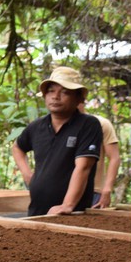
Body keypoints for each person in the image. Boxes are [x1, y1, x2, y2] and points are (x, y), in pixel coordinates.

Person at [11, 66, 102, 216]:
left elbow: (84, 167)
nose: (56, 96)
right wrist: (27, 174)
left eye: (65, 92)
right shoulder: (37, 127)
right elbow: (17, 147)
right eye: (51, 91)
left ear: (79, 98)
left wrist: (67, 205)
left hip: (72, 214)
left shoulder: (88, 125)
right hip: (36, 211)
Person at [78, 102, 120, 208]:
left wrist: (107, 189)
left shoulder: (101, 124)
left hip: (93, 191)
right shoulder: (56, 125)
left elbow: (114, 157)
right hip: (60, 190)